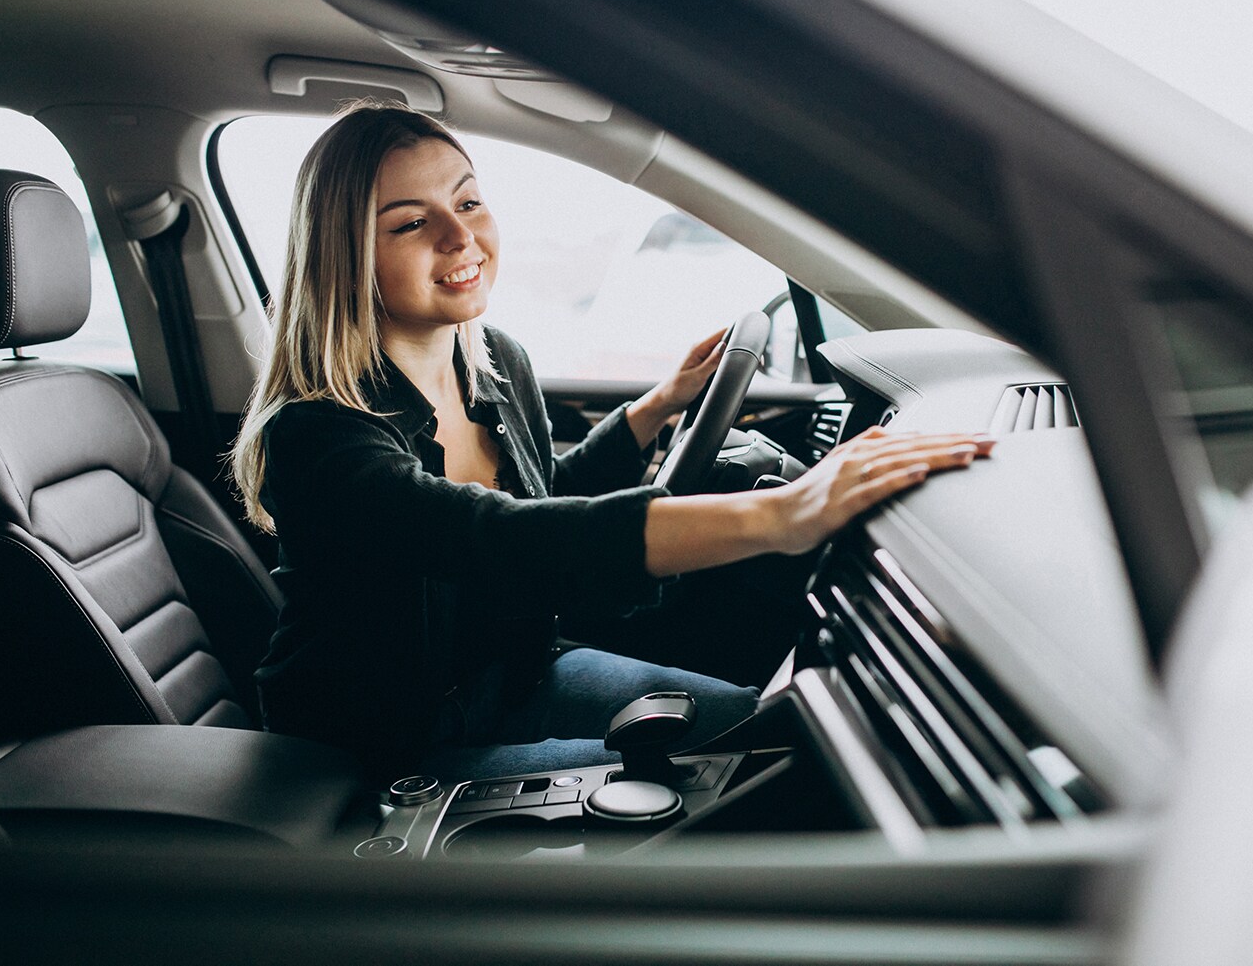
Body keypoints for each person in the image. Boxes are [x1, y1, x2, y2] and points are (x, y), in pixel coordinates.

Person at [230, 101, 991, 781]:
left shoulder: (495, 361)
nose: (461, 236)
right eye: (410, 222)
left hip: (521, 675)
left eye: (467, 200)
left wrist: (658, 407)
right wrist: (780, 515)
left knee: (758, 726)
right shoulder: (318, 436)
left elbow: (545, 491)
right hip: (388, 747)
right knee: (706, 775)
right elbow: (492, 536)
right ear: (346, 256)